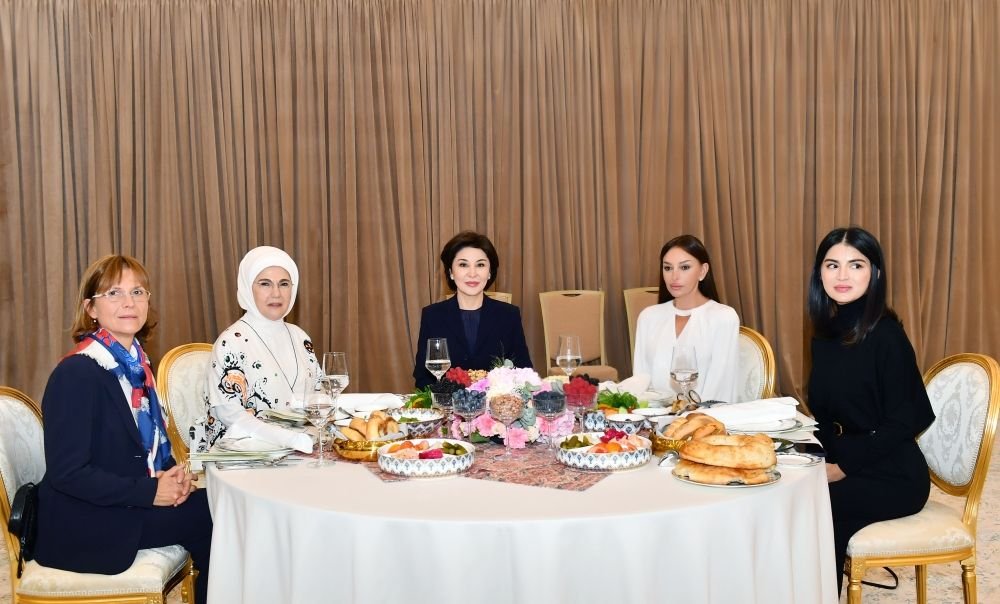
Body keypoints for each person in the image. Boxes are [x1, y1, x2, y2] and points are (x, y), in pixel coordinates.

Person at [34, 255, 213, 603]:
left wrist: (169, 477)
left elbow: (140, 449)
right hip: (86, 522)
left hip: (119, 504)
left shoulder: (136, 367)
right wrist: (149, 492)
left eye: (138, 291)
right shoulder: (78, 373)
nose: (129, 302)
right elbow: (68, 474)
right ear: (91, 309)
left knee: (222, 505)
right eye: (114, 293)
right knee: (216, 517)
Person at [807, 226, 935, 594]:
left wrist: (842, 468)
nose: (842, 275)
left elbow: (907, 419)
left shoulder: (886, 335)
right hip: (846, 458)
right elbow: (829, 415)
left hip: (893, 475)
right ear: (819, 274)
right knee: (785, 488)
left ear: (875, 273)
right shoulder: (826, 332)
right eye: (832, 265)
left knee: (813, 506)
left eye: (856, 265)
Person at [194, 246, 317, 453]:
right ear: (247, 288)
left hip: (298, 450)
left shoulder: (300, 337)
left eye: (284, 284)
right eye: (265, 284)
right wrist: (289, 439)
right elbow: (231, 416)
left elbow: (318, 396)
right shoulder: (230, 342)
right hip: (245, 455)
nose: (276, 293)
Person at [413, 231, 532, 387]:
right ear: (451, 272)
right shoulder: (432, 316)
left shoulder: (509, 315)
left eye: (480, 265)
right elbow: (423, 377)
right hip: (449, 407)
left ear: (489, 272)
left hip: (495, 407)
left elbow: (524, 372)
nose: (472, 273)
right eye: (463, 265)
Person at [632, 235, 739, 401]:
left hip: (705, 420)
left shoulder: (723, 318)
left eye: (684, 267)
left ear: (702, 271)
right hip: (654, 419)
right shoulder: (648, 317)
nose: (674, 276)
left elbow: (721, 388)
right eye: (668, 268)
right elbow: (640, 383)